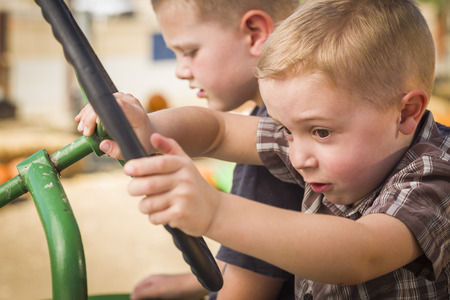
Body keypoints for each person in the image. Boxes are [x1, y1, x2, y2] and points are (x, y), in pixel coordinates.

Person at [77, 0, 450, 298]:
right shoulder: (314, 146)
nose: (298, 158)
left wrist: (214, 211)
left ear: (406, 113)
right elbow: (218, 132)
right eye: (287, 131)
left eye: (321, 132)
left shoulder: (433, 172)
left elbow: (362, 253)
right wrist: (150, 126)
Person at [78, 0, 303, 299]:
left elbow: (246, 288)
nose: (180, 71)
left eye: (190, 52)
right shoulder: (284, 127)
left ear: (254, 34)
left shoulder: (272, 159)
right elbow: (216, 130)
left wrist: (150, 125)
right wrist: (190, 282)